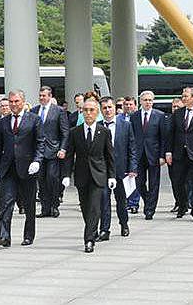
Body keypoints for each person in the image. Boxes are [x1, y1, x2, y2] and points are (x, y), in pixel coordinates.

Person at [59, 98, 115, 253]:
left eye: (91, 110)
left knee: (95, 207)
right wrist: (66, 175)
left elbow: (109, 155)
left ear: (97, 113)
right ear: (82, 113)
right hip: (82, 175)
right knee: (85, 207)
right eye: (86, 110)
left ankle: (89, 240)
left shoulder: (104, 132)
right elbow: (69, 155)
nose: (88, 113)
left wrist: (111, 176)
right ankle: (92, 229)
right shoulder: (75, 132)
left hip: (99, 175)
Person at [0, 90, 45, 247]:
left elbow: (40, 142)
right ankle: (4, 236)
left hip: (27, 168)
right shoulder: (2, 122)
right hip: (8, 169)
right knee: (6, 204)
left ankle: (28, 235)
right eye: (11, 101)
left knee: (29, 204)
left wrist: (37, 161)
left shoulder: (34, 120)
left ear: (23, 101)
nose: (13, 104)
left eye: (16, 101)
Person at [167, 87, 193, 222]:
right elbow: (171, 134)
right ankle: (182, 205)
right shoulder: (178, 113)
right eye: (182, 96)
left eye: (186, 96)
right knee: (178, 182)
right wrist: (168, 152)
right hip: (179, 153)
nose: (183, 98)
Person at [98, 96, 137, 238]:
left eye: (110, 107)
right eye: (104, 108)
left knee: (121, 201)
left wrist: (132, 168)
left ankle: (124, 224)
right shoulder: (98, 126)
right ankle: (105, 229)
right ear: (101, 110)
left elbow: (132, 147)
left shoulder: (125, 125)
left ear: (115, 108)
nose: (107, 110)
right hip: (103, 170)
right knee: (103, 200)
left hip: (121, 169)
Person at [31, 86, 70, 218]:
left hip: (53, 150)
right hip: (38, 152)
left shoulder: (58, 111)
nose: (42, 98)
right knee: (41, 180)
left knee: (52, 178)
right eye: (40, 95)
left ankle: (54, 205)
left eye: (44, 95)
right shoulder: (34, 111)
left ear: (50, 96)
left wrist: (63, 148)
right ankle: (45, 208)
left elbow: (65, 132)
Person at [129, 90, 168, 220]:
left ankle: (150, 209)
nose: (148, 103)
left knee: (154, 183)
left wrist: (162, 155)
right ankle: (148, 201)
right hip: (138, 155)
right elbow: (131, 136)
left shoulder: (160, 115)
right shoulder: (134, 116)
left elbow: (163, 137)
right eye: (145, 100)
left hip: (154, 154)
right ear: (140, 101)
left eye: (150, 100)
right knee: (139, 182)